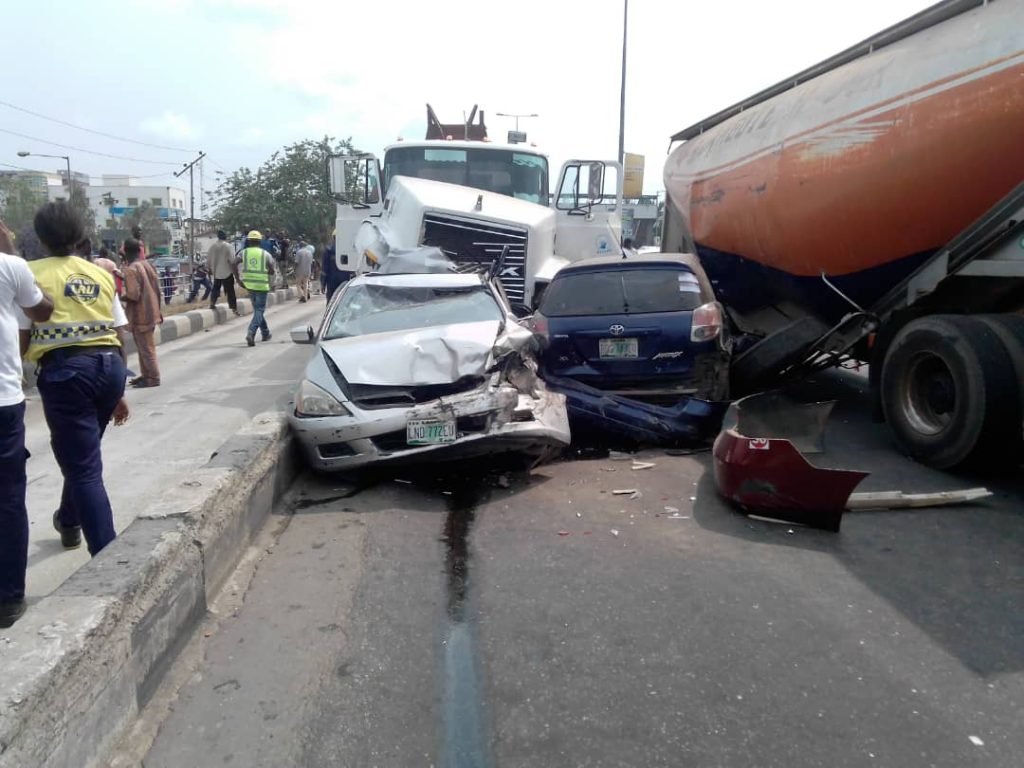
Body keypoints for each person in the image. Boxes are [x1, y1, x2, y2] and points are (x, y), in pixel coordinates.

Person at [18, 201, 130, 578]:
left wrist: (14, 379)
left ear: (41, 237)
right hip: (109, 366)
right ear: (81, 235)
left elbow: (21, 334)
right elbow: (118, 331)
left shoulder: (29, 273)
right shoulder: (98, 273)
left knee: (83, 467)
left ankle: (108, 562)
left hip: (67, 373)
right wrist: (119, 391)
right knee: (81, 454)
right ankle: (69, 522)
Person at [0, 219, 53, 628]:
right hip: (3, 401)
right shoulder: (11, 266)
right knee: (8, 498)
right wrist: (11, 252)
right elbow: (42, 309)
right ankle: (8, 598)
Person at [121, 238, 163, 388]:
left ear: (125, 251)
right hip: (153, 310)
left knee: (146, 348)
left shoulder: (131, 269)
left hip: (141, 314)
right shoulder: (147, 265)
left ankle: (152, 377)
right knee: (144, 346)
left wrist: (120, 295)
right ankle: (146, 375)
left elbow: (133, 294)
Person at [237, 230, 275, 347]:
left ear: (248, 241)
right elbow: (272, 270)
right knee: (259, 310)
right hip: (261, 286)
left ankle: (265, 332)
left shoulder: (244, 253)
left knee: (257, 310)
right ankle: (251, 332)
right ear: (260, 241)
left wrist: (238, 279)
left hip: (249, 286)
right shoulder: (265, 254)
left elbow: (233, 263)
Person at [207, 230, 240, 315]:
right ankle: (234, 308)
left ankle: (212, 303)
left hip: (216, 272)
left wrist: (209, 269)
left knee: (216, 288)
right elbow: (232, 260)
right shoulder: (228, 246)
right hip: (227, 272)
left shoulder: (212, 246)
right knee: (230, 291)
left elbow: (208, 259)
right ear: (225, 237)